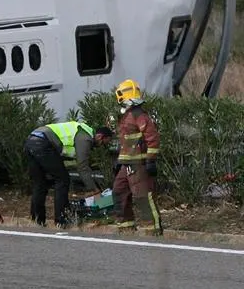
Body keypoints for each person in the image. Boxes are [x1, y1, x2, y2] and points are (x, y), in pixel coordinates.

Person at [24, 121, 114, 227]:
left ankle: (37, 220)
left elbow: (65, 159)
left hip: (31, 141)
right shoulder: (85, 138)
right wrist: (94, 189)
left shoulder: (80, 131)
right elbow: (82, 166)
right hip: (43, 143)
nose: (101, 146)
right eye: (103, 143)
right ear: (99, 136)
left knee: (40, 183)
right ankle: (61, 221)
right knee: (62, 180)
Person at [112, 79, 162, 235]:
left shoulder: (139, 115)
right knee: (118, 192)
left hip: (139, 164)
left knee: (142, 197)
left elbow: (152, 137)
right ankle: (126, 229)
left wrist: (150, 160)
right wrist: (119, 161)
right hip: (127, 164)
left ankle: (153, 232)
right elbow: (126, 141)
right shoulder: (127, 115)